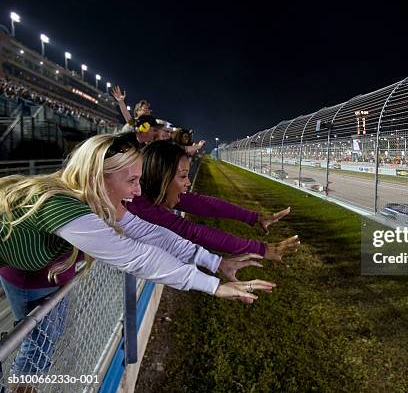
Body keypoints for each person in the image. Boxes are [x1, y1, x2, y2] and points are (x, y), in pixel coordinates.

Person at [0, 134, 274, 378]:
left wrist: (215, 263)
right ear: (98, 177)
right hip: (18, 270)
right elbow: (137, 257)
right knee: (38, 342)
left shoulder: (92, 199)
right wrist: (215, 287)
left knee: (45, 335)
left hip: (17, 264)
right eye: (132, 181)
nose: (139, 191)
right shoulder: (61, 206)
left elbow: (153, 235)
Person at [126, 140, 298, 259]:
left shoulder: (148, 191)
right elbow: (193, 231)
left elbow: (204, 204)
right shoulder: (139, 203)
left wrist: (254, 217)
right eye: (183, 176)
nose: (189, 182)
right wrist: (262, 249)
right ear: (161, 177)